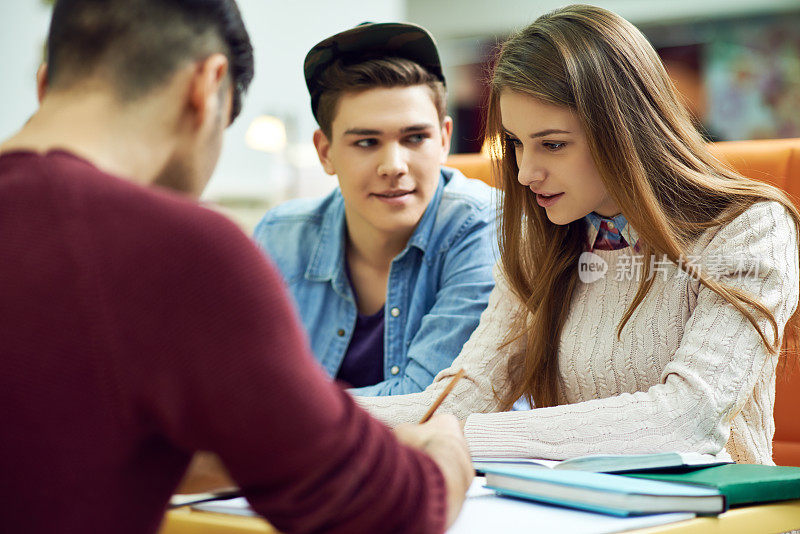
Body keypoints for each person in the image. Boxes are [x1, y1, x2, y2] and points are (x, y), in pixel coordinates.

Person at [0, 1, 472, 533]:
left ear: (45, 87)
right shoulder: (183, 249)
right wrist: (443, 446)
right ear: (207, 85)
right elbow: (390, 510)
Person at [357, 4, 800, 466]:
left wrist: (459, 436)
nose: (526, 172)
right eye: (515, 143)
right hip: (577, 509)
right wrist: (311, 414)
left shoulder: (750, 228)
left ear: (625, 129)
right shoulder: (542, 240)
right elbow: (464, 399)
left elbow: (688, 421)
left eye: (553, 144)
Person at [253, 22, 497, 395]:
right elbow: (242, 383)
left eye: (415, 137)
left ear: (444, 139)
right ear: (325, 152)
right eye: (367, 142)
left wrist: (291, 414)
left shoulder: (484, 225)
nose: (394, 166)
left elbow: (429, 401)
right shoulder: (280, 236)